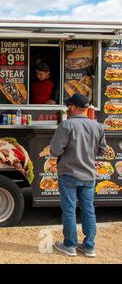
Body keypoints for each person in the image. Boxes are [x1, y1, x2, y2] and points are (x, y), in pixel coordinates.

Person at [49, 93, 107, 258]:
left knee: (69, 210)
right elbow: (102, 150)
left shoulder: (66, 126)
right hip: (89, 175)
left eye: (69, 105)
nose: (68, 107)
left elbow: (55, 150)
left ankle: (70, 245)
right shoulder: (97, 126)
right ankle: (89, 247)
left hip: (68, 173)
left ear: (74, 107)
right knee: (88, 210)